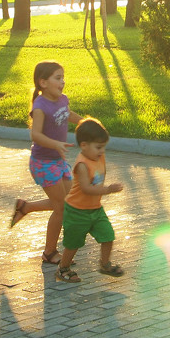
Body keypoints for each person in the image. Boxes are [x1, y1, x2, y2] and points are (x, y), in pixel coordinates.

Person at [9, 60, 83, 265]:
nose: (62, 82)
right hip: (43, 163)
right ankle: (49, 252)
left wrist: (85, 122)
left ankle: (26, 207)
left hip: (57, 160)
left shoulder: (62, 99)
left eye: (63, 77)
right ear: (43, 82)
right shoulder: (40, 106)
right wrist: (56, 144)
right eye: (57, 78)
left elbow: (67, 114)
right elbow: (36, 135)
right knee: (61, 207)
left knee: (67, 203)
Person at [55, 118, 124, 283]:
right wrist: (108, 190)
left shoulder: (98, 156)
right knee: (73, 243)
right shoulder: (82, 165)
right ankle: (63, 268)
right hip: (77, 210)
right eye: (98, 147)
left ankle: (104, 264)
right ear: (84, 145)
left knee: (108, 235)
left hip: (95, 209)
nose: (102, 151)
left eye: (103, 147)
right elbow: (86, 188)